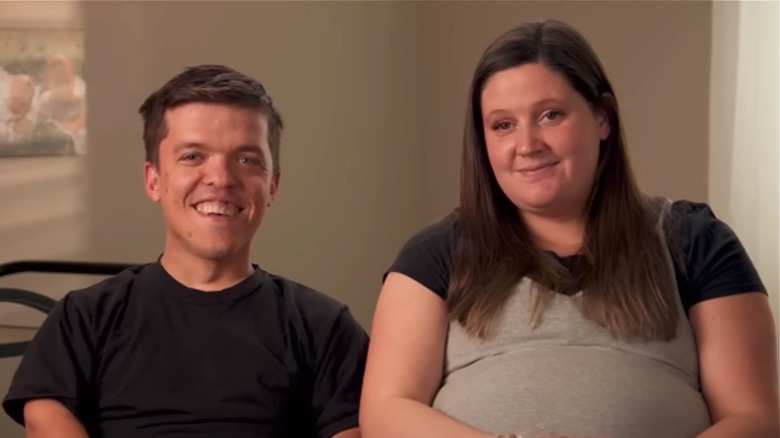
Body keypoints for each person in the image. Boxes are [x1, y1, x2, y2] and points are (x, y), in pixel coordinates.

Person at [360, 19, 778, 438]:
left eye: (550, 115)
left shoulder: (696, 239)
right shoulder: (435, 253)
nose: (527, 145)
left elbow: (752, 417)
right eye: (503, 125)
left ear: (602, 119)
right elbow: (386, 409)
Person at [4, 64, 368, 438]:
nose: (222, 178)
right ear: (154, 179)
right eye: (193, 156)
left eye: (247, 160)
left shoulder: (324, 326)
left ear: (272, 186)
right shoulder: (84, 317)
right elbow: (45, 416)